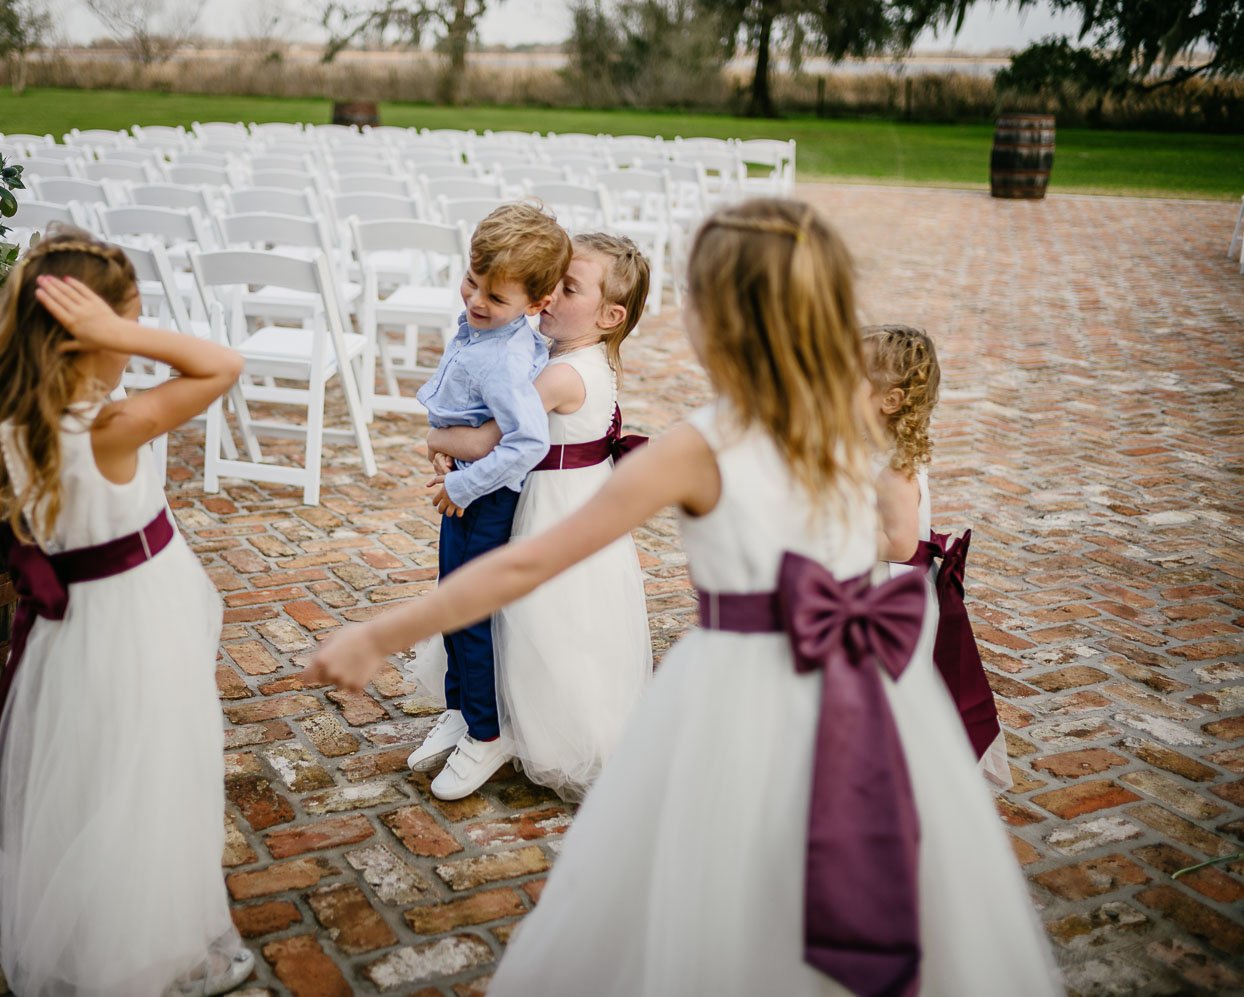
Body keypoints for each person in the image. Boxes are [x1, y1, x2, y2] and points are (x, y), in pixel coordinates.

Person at [307, 200, 1060, 996]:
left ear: (718, 324)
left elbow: (523, 569)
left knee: (718, 892)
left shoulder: (702, 447)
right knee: (842, 882)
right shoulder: (854, 428)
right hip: (871, 697)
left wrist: (382, 632)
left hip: (738, 698)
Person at [0, 230, 254, 997]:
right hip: (136, 621)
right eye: (126, 325)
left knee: (83, 770)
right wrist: (126, 330)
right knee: (145, 771)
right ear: (88, 338)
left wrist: (111, 329)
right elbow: (224, 364)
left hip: (72, 630)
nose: (130, 344)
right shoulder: (112, 428)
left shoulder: (13, 417)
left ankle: (77, 915)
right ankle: (135, 950)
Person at [418, 233, 653, 801]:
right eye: (551, 283)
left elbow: (485, 441)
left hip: (553, 509)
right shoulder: (569, 355)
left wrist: (437, 435)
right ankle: (477, 711)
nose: (548, 297)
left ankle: (497, 731)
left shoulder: (561, 375)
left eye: (568, 289)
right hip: (554, 497)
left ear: (610, 315)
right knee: (510, 618)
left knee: (536, 622)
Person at [408, 202, 572, 801]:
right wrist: (445, 450)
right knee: (451, 602)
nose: (476, 301)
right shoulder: (482, 324)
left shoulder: (505, 357)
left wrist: (462, 484)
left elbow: (526, 441)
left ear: (535, 304)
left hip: (485, 501)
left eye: (495, 298)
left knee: (469, 613)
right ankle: (458, 708)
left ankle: (486, 731)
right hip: (466, 482)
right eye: (472, 283)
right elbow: (469, 410)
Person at [865, 323, 1011, 789]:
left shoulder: (893, 470)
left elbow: (901, 543)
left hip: (886, 596)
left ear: (889, 401)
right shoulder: (873, 448)